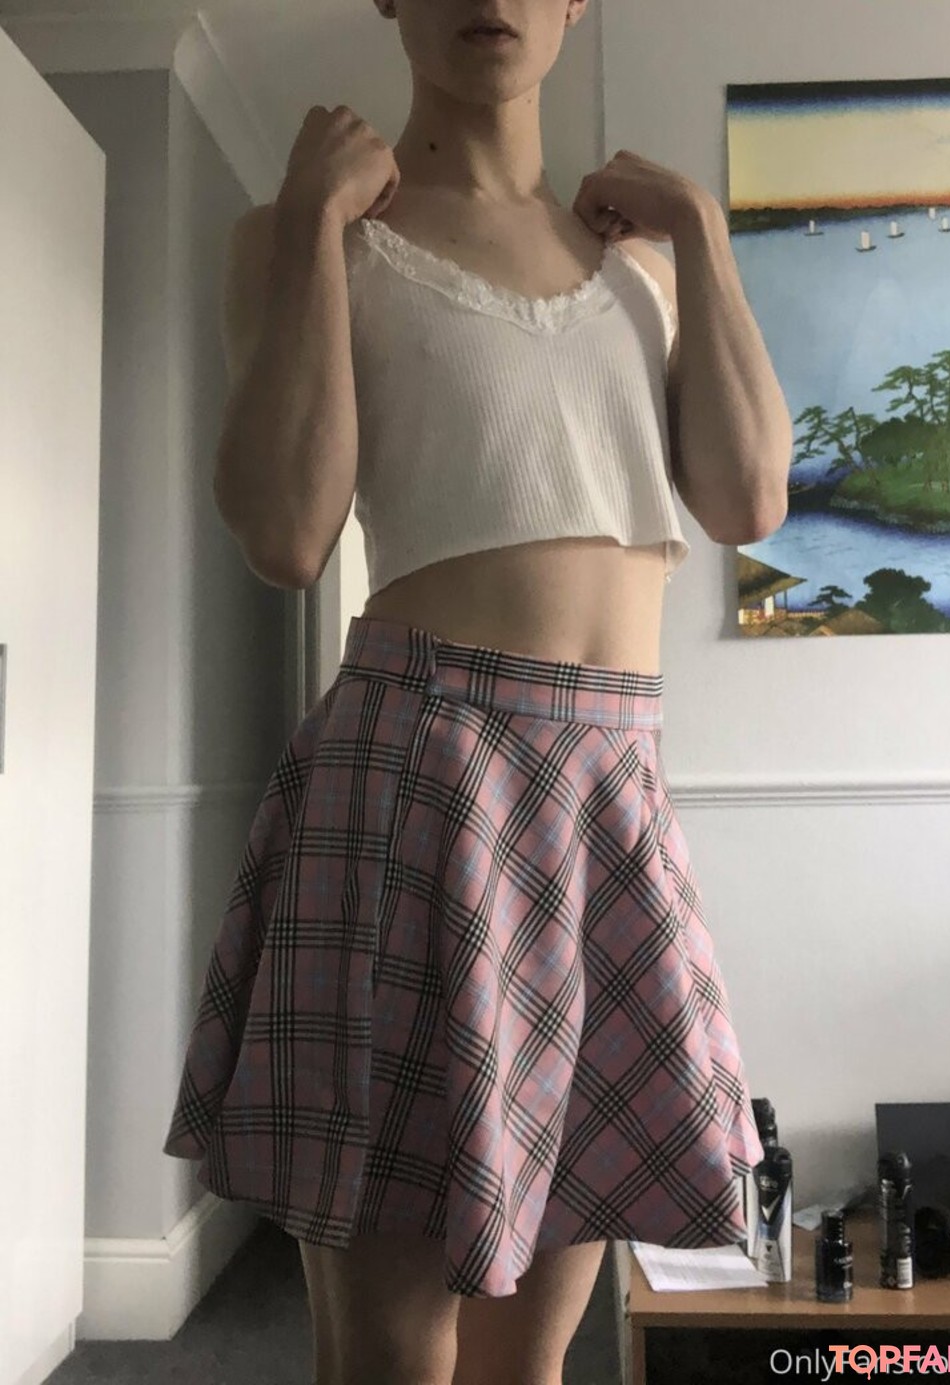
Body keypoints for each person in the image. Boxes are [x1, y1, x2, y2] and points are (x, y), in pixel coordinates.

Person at [163, 2, 792, 1382]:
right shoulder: (306, 237)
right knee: (394, 1359)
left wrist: (702, 230)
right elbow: (285, 531)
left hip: (607, 801)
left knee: (531, 1360)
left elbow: (749, 496)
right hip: (420, 783)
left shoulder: (647, 269)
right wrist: (313, 220)